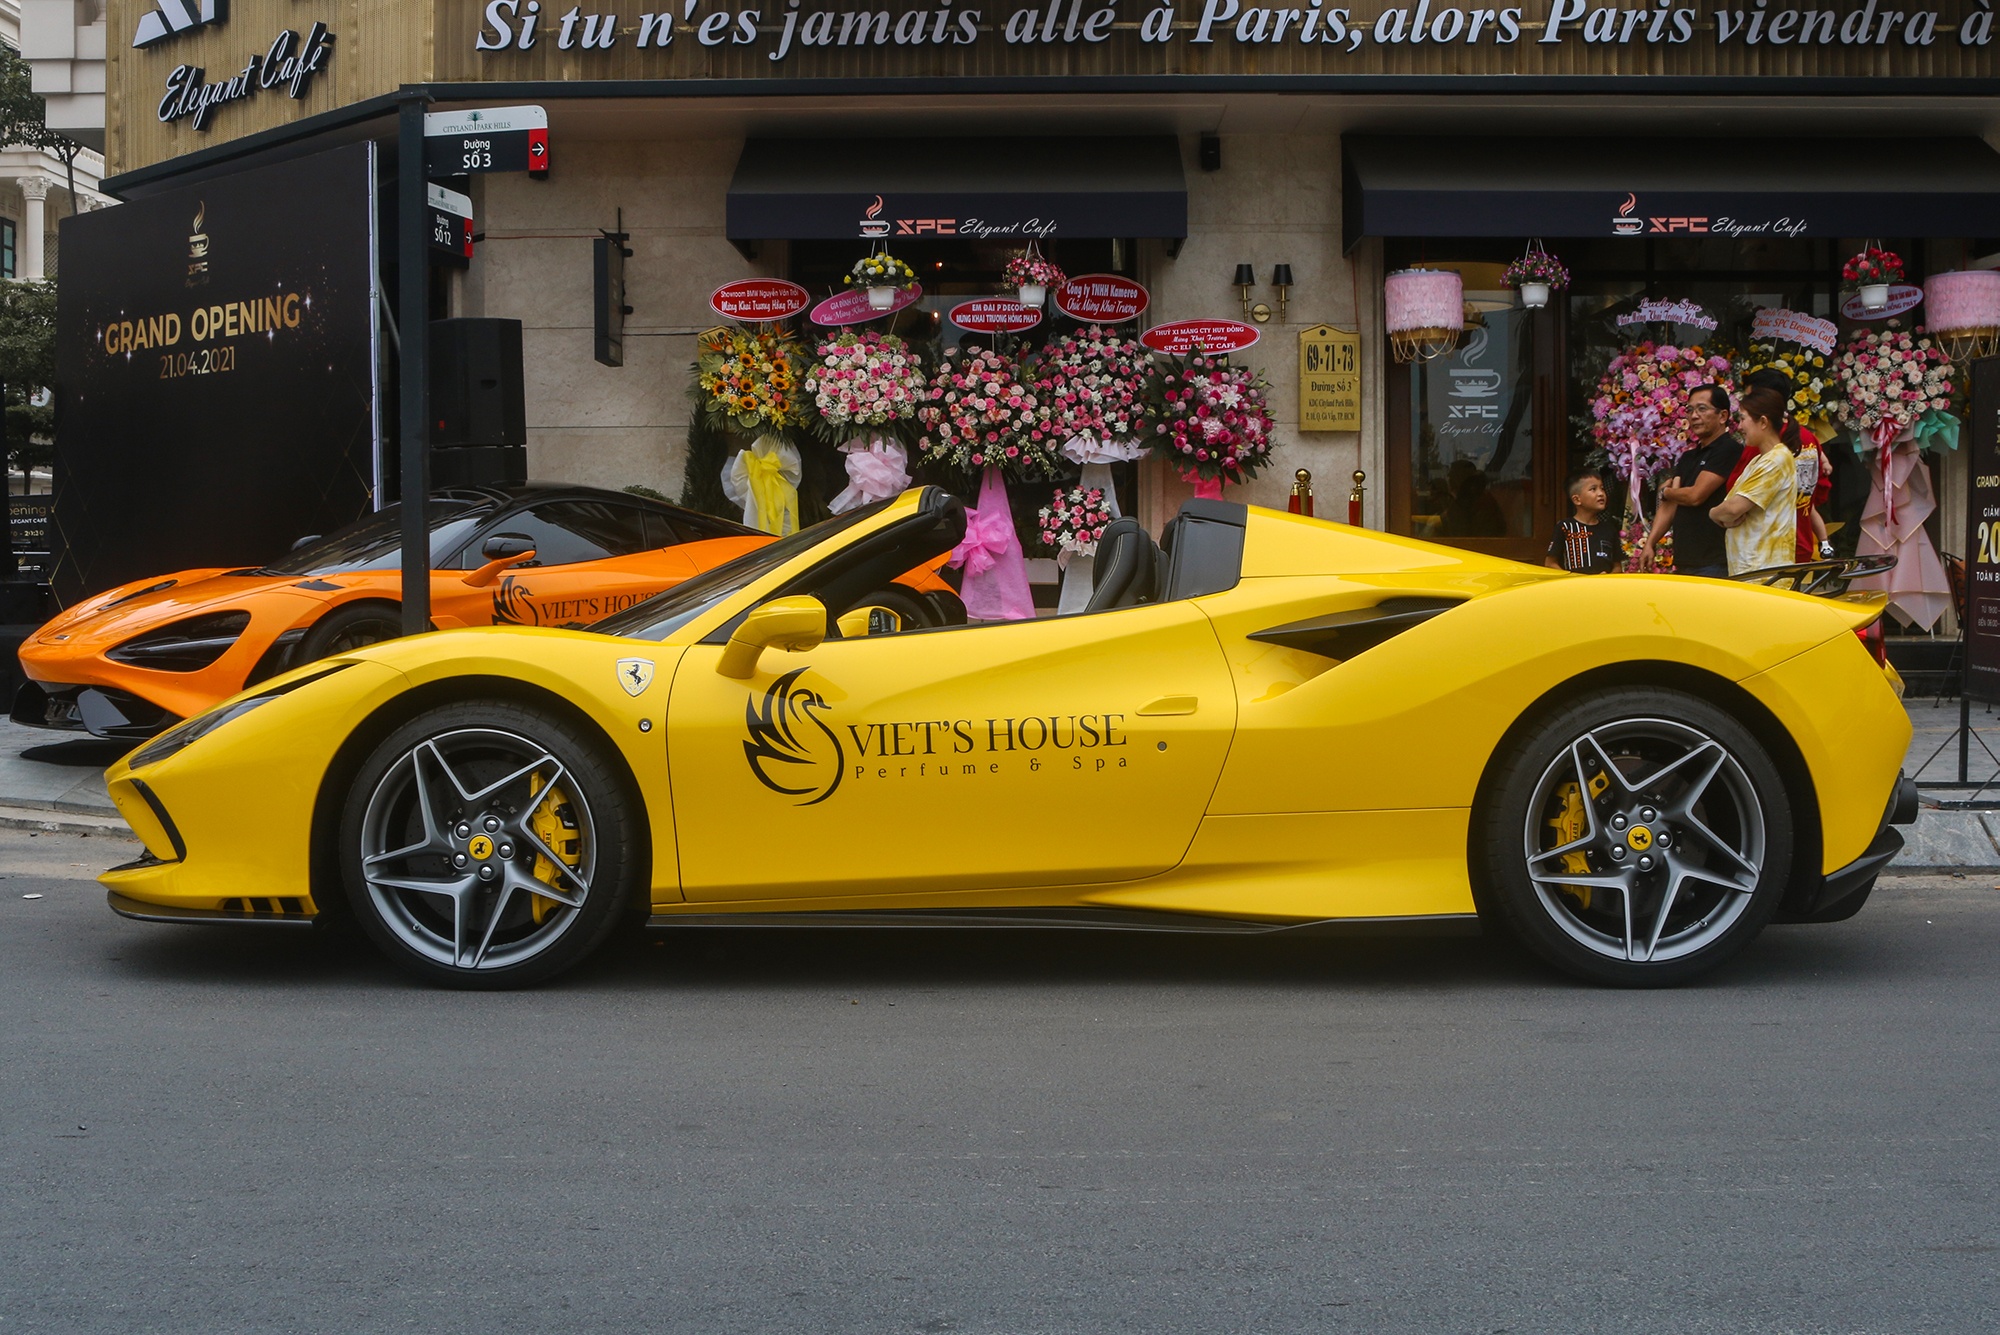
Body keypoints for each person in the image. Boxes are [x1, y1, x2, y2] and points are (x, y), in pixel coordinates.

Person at [1641, 383, 1740, 578]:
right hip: (1685, 559)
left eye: (1702, 409)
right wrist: (1650, 543)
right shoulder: (1688, 457)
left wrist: (1666, 492)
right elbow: (1669, 507)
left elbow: (1695, 496)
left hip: (1715, 561)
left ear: (1723, 416)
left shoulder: (1729, 449)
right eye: (1690, 410)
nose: (1694, 416)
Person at [1740, 367, 1834, 562]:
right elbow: (1818, 493)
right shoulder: (1808, 437)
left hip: (1768, 550)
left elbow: (1738, 495)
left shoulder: (1762, 442)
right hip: (1800, 543)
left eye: (1750, 398)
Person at [1709, 386, 1799, 575]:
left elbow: (1733, 508)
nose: (1739, 427)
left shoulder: (1777, 459)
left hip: (1764, 574)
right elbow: (1728, 509)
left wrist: (1714, 514)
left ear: (1763, 422)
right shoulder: (1760, 460)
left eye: (1743, 419)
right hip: (1751, 571)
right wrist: (1719, 513)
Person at [1545, 470, 1622, 573]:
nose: (1601, 493)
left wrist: (1607, 578)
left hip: (1603, 587)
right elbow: (1550, 563)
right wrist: (1573, 578)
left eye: (1602, 488)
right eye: (1593, 489)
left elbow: (1617, 566)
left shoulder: (1609, 529)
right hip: (1574, 587)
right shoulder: (1565, 527)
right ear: (1577, 500)